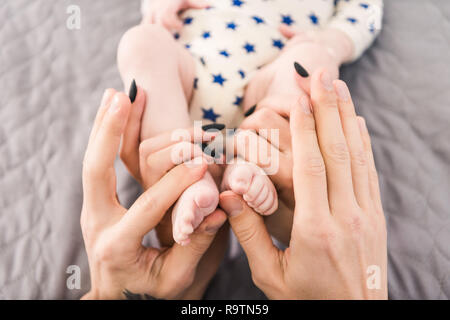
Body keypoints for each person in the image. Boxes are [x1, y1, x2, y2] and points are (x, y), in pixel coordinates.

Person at [81, 69, 387, 299]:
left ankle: (213, 175)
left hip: (242, 100)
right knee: (143, 48)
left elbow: (361, 14)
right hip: (200, 82)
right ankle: (209, 177)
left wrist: (108, 297)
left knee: (298, 74)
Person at [117, 0, 384, 245]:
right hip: (189, 70)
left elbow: (364, 8)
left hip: (272, 75)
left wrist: (331, 42)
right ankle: (185, 177)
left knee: (312, 62)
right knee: (141, 42)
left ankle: (251, 168)